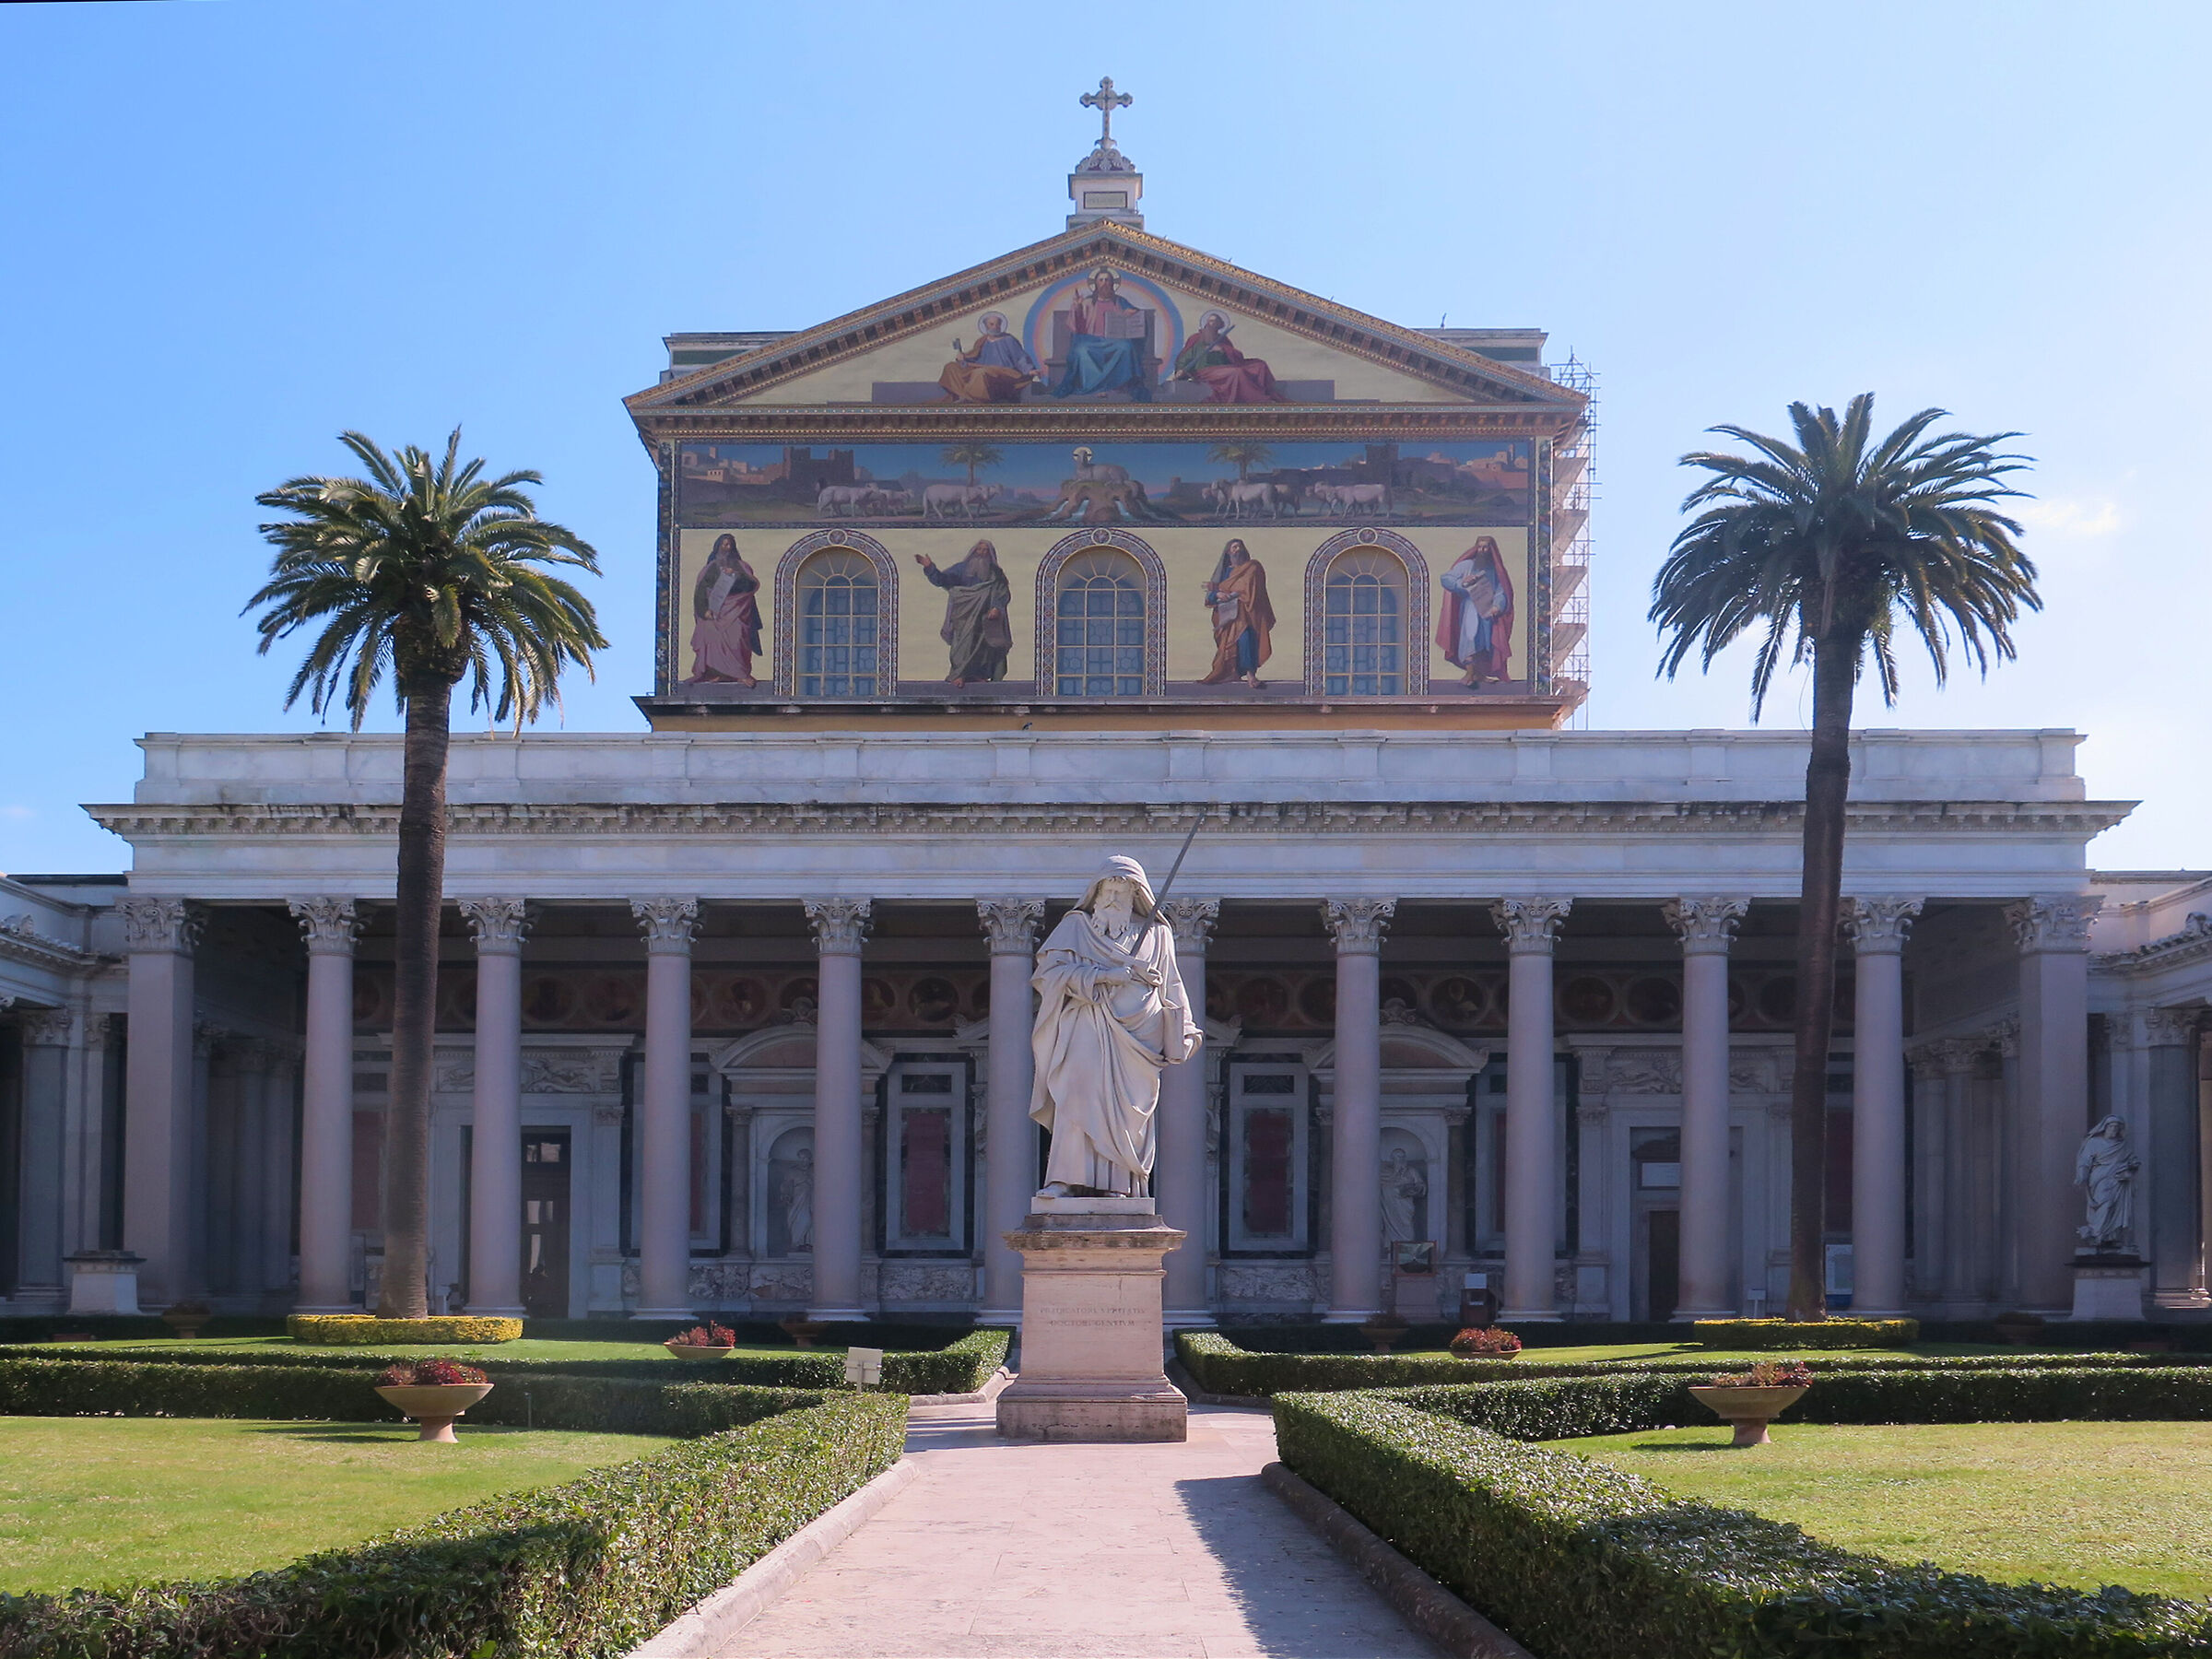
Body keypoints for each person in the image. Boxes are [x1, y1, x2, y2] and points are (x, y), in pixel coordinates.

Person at [1030, 856, 1202, 1197]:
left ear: (1136, 895)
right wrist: (1105, 976)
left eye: (1121, 894)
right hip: (1086, 1028)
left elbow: (1172, 986)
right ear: (1095, 893)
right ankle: (1064, 1180)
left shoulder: (1157, 934)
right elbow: (1049, 975)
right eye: (1107, 891)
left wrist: (1185, 1027)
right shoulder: (1076, 928)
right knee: (1075, 1098)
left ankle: (1118, 1185)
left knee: (1127, 1116)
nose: (1112, 900)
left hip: (1139, 1041)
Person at [916, 538, 1012, 685]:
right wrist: (930, 567)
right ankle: (958, 674)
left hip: (985, 617)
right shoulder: (961, 569)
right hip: (964, 615)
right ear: (974, 552)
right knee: (962, 645)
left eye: (986, 550)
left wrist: (997, 607)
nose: (982, 553)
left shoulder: (995, 573)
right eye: (979, 550)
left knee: (984, 647)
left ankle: (976, 675)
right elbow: (943, 580)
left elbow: (1002, 591)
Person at [1051, 267, 1153, 401]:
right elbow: (1076, 327)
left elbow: (1136, 315)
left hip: (1113, 340)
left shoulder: (1120, 301)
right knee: (1081, 351)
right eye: (1101, 280)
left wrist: (1132, 313)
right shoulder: (1087, 302)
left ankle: (1118, 386)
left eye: (1107, 280)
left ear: (1112, 283)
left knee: (1126, 347)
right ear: (1096, 284)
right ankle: (1093, 388)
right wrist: (1077, 308)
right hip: (1090, 340)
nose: (1104, 283)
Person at [1437, 535, 1515, 687]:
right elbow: (1446, 578)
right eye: (1480, 547)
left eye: (1486, 547)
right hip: (1470, 609)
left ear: (1491, 550)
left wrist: (1497, 607)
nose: (1482, 550)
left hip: (1487, 612)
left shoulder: (1495, 571)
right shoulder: (1467, 565)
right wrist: (1462, 582)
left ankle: (1480, 674)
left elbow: (1501, 591)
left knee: (1485, 642)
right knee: (1470, 639)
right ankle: (1470, 673)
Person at [1199, 538, 1275, 688]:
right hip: (1227, 615)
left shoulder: (1252, 567)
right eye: (1234, 547)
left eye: (1239, 547)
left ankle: (1251, 675)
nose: (1237, 550)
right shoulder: (1225, 571)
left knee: (1246, 639)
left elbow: (1252, 588)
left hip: (1247, 612)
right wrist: (1217, 594)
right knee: (1228, 644)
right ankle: (1231, 672)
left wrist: (1223, 589)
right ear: (1228, 552)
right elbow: (1211, 595)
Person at [688, 535, 761, 686]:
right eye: (724, 545)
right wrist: (704, 611)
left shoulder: (742, 566)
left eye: (729, 545)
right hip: (715, 612)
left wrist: (736, 575)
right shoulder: (710, 568)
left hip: (738, 610)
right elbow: (701, 591)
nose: (726, 548)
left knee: (737, 637)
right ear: (718, 547)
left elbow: (751, 585)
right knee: (708, 631)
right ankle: (713, 673)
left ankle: (740, 674)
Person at [1171, 311, 1288, 404]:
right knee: (1236, 373)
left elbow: (1236, 357)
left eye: (1214, 322)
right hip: (1204, 371)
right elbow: (1185, 357)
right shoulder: (1196, 338)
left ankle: (1267, 393)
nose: (1211, 324)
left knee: (1259, 365)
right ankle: (1257, 399)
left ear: (1219, 325)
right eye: (1209, 321)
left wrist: (1223, 350)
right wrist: (1181, 370)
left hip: (1224, 368)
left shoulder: (1222, 339)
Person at [937, 312, 1040, 404]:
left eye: (997, 324)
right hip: (981, 368)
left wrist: (1029, 370)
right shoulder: (982, 341)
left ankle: (973, 400)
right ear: (986, 326)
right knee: (951, 367)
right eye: (991, 324)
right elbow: (974, 357)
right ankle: (963, 395)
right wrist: (963, 358)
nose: (995, 327)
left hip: (1003, 372)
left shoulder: (1009, 340)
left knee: (980, 373)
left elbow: (1020, 358)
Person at [2075, 1114, 2139, 1250]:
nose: (2114, 1129)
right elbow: (2085, 1161)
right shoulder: (2094, 1142)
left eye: (2117, 1127)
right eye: (2111, 1126)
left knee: (2116, 1208)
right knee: (2105, 1203)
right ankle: (2097, 1233)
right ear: (2105, 1127)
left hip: (2118, 1180)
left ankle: (2110, 1237)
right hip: (2100, 1179)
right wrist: (2082, 1175)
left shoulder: (2122, 1145)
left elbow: (2132, 1159)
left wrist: (2133, 1165)